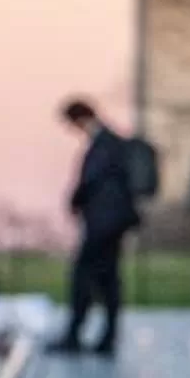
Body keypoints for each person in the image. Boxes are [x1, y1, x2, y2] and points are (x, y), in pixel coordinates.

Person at [57, 98, 141, 357]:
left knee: (86, 276)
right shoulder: (112, 142)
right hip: (112, 221)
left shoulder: (104, 143)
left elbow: (92, 179)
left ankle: (77, 334)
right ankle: (105, 335)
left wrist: (75, 199)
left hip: (104, 222)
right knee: (107, 278)